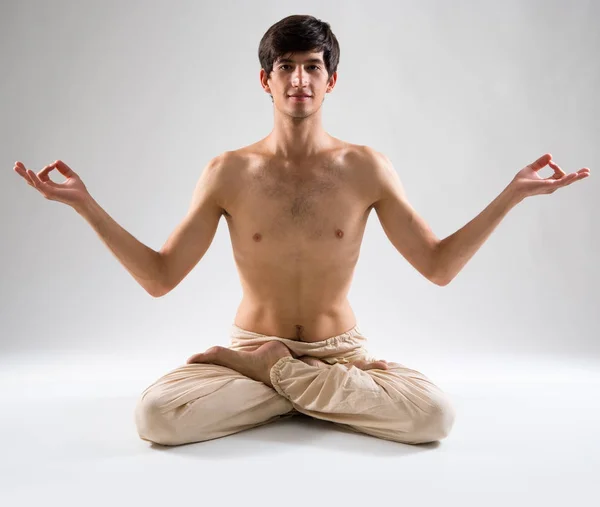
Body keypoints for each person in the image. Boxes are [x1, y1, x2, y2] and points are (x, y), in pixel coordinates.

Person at [14, 15, 590, 446]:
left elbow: (437, 265)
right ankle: (310, 391)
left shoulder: (366, 167)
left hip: (340, 352)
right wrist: (84, 205)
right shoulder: (229, 171)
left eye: (312, 65)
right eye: (286, 66)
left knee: (436, 417)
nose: (299, 79)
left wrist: (512, 194)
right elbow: (160, 276)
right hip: (252, 342)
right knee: (155, 418)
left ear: (331, 80)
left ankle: (271, 378)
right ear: (264, 79)